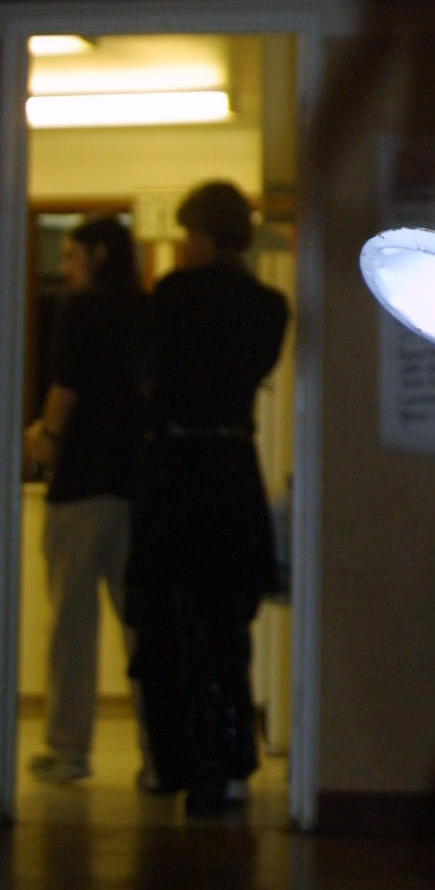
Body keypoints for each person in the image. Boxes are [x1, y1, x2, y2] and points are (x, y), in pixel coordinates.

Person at [127, 181, 288, 817]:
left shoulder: (173, 294)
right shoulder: (269, 306)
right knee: (226, 623)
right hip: (231, 465)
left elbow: (146, 376)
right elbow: (253, 371)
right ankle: (230, 760)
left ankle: (176, 762)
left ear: (202, 234)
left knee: (166, 620)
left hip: (174, 467)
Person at [23, 214, 146, 784]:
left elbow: (65, 387)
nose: (66, 267)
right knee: (139, 624)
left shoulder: (79, 309)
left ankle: (69, 750)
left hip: (79, 483)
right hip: (135, 482)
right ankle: (158, 754)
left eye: (72, 255)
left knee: (71, 623)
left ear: (98, 254)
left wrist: (46, 438)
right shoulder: (146, 307)